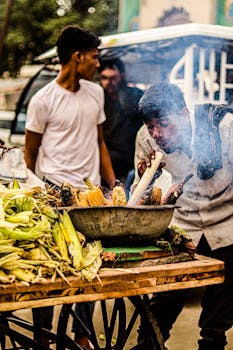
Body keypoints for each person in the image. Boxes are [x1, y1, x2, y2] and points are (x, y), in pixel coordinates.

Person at [24, 25, 116, 349]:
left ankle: (81, 335)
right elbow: (30, 153)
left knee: (89, 264)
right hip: (53, 195)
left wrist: (113, 184)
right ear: (77, 57)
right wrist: (36, 193)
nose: (98, 64)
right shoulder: (43, 100)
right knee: (52, 271)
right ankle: (42, 337)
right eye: (94, 57)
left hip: (88, 196)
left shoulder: (96, 93)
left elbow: (100, 141)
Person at [132, 81, 233, 350]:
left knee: (215, 324)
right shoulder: (146, 138)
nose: (157, 133)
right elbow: (139, 197)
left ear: (184, 114)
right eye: (151, 126)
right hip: (183, 226)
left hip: (227, 227)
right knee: (159, 311)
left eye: (163, 123)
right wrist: (146, 180)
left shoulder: (224, 128)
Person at [98, 58, 144, 197]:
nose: (108, 83)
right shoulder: (99, 99)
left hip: (132, 161)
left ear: (122, 76)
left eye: (113, 78)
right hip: (106, 164)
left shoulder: (136, 97)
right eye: (104, 78)